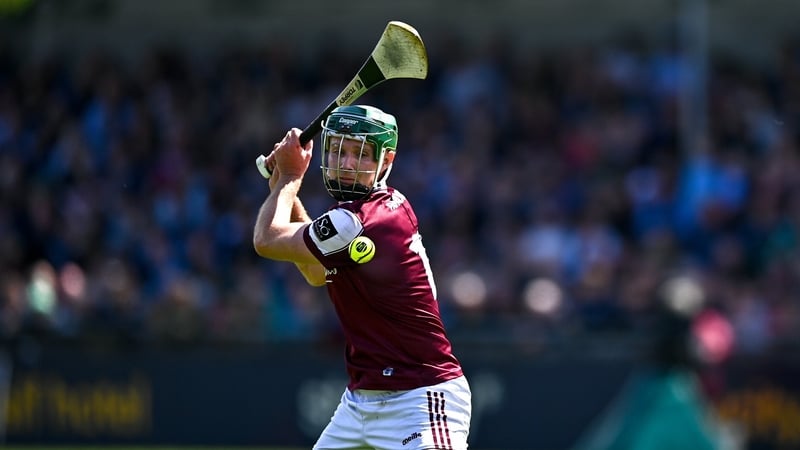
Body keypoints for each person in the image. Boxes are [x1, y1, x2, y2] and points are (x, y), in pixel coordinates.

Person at [253, 104, 471, 450]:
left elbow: (266, 240)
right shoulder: (353, 216)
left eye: (362, 154)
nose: (348, 163)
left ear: (386, 161)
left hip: (420, 398)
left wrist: (291, 178)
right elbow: (313, 271)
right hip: (358, 407)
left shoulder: (360, 221)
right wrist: (282, 184)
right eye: (340, 149)